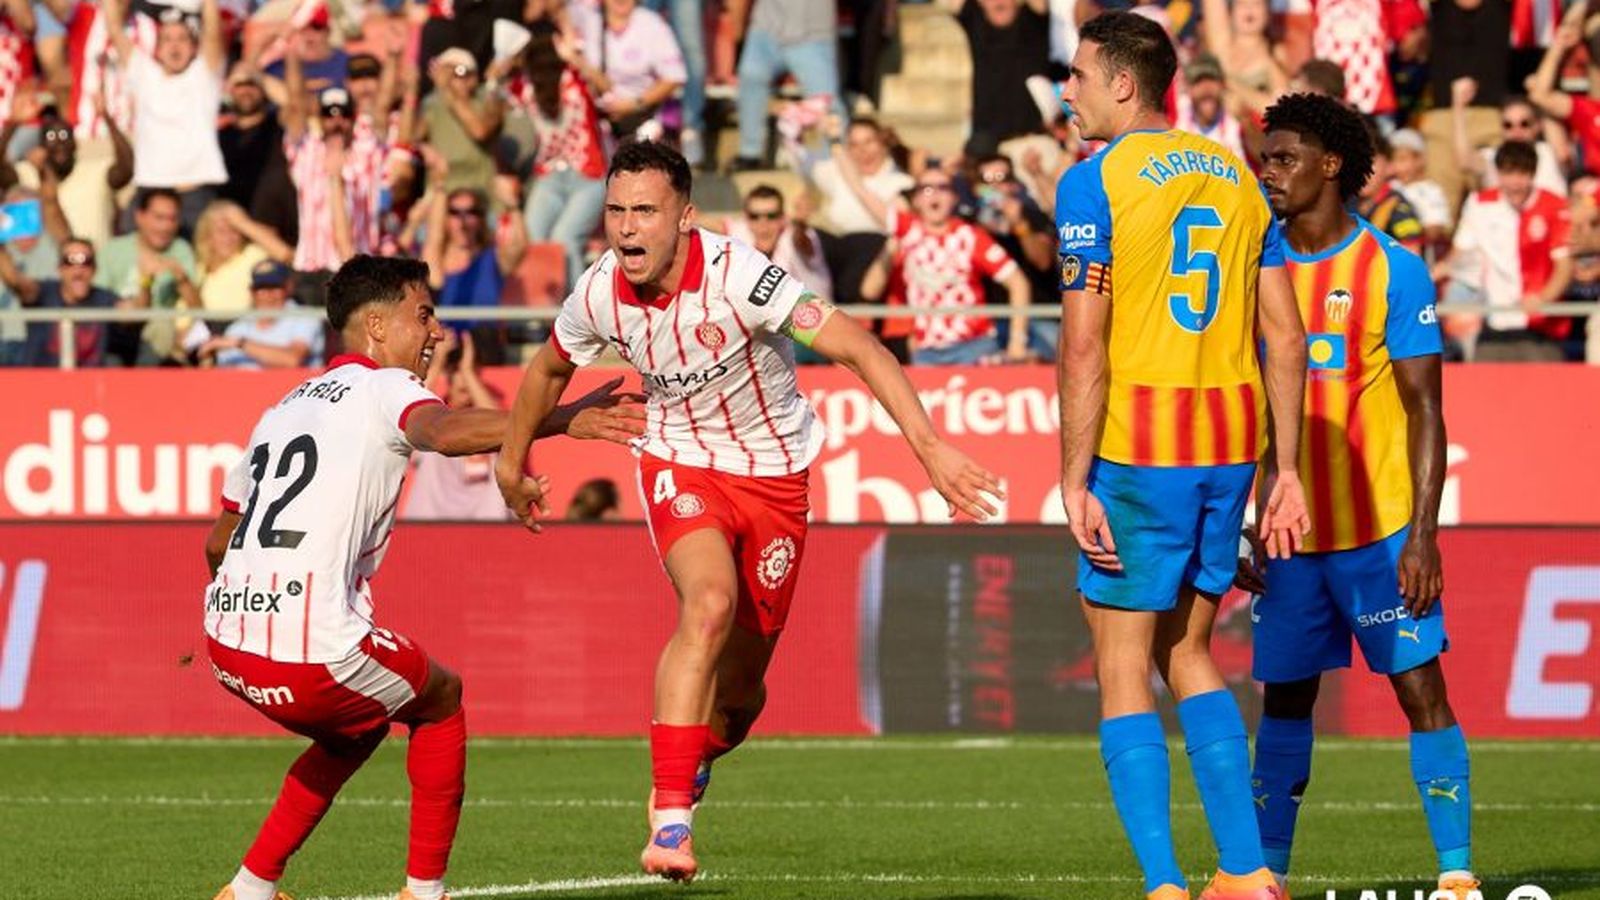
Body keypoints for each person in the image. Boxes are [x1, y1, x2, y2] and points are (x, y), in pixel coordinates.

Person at [494, 140, 1003, 883]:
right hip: (678, 458)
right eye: (616, 211)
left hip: (773, 473)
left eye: (645, 211)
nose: (627, 228)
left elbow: (859, 346)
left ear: (686, 217)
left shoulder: (743, 277)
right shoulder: (600, 290)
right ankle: (670, 820)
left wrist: (928, 450)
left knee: (737, 698)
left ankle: (699, 755)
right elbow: (547, 370)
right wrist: (512, 463)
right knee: (707, 604)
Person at [201, 254, 644, 900]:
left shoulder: (282, 409)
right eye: (424, 314)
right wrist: (559, 419)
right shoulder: (385, 388)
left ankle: (249, 888)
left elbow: (219, 544)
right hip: (312, 651)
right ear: (377, 328)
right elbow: (443, 430)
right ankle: (425, 892)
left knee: (357, 730)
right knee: (441, 700)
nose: (436, 331)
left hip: (226, 644)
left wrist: (255, 599)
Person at [1054, 13, 1309, 900]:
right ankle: (1245, 871)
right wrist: (1287, 470)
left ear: (1124, 84)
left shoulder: (1097, 182)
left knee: (1121, 665)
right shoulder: (1239, 179)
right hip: (1228, 446)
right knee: (1191, 653)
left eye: (1079, 75)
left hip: (1139, 447)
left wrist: (1073, 476)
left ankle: (1163, 885)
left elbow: (1084, 347)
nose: (1068, 91)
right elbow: (1287, 335)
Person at [1246, 90, 1476, 900]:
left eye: (1284, 158)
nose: (1267, 170)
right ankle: (1267, 877)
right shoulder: (1253, 262)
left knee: (1421, 691)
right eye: (1264, 156)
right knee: (1286, 701)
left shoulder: (1390, 266)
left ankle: (1455, 874)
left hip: (1379, 531)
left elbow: (1425, 410)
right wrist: (1247, 516)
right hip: (1290, 538)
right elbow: (1243, 400)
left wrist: (1423, 534)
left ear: (1331, 164)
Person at [861, 166, 1032, 365]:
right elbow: (862, 194)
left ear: (954, 197)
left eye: (943, 187)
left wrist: (1017, 341)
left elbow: (1018, 282)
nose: (934, 194)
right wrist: (837, 143)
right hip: (926, 352)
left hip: (974, 347)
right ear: (915, 199)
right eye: (926, 188)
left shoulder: (970, 236)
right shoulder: (907, 232)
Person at [104, 0, 229, 234]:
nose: (175, 46)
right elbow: (114, 26)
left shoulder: (204, 77)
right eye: (168, 39)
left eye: (182, 39)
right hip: (150, 190)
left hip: (194, 192)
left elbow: (213, 31)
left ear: (194, 47)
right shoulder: (144, 75)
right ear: (158, 48)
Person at [0, 237, 119, 367]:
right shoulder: (44, 293)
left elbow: (132, 310)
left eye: (86, 262)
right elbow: (15, 281)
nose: (78, 271)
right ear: (59, 268)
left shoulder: (105, 298)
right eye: (69, 262)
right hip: (41, 384)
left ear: (95, 269)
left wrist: (144, 280)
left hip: (89, 385)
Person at [198, 260, 324, 369]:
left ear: (288, 288)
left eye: (275, 287)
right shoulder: (239, 327)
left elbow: (292, 360)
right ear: (252, 292)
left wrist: (240, 344)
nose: (268, 295)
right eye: (261, 288)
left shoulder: (305, 317)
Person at [194, 200, 296, 314]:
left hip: (244, 326)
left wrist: (243, 223)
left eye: (234, 231)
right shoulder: (200, 267)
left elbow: (285, 255)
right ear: (208, 236)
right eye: (221, 231)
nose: (228, 238)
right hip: (210, 328)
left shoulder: (251, 255)